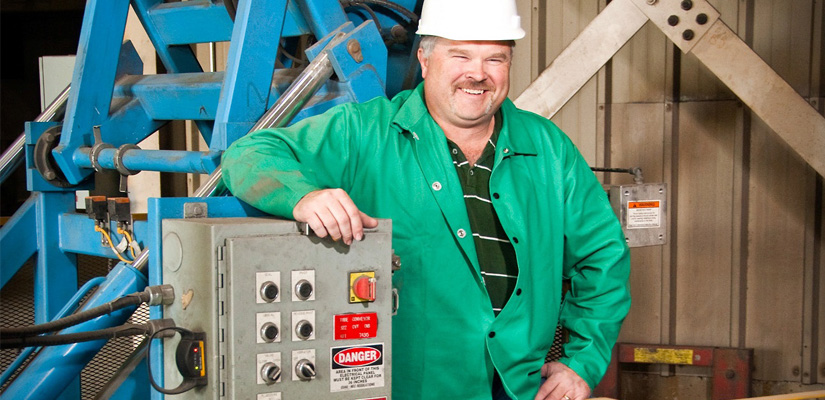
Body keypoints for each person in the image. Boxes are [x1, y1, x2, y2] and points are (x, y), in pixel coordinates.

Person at [221, 0, 630, 399]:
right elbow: (246, 155)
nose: (478, 74)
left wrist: (581, 362)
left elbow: (603, 258)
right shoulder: (365, 134)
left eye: (495, 59)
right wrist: (304, 196)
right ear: (425, 59)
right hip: (406, 388)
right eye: (461, 55)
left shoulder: (548, 148)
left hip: (519, 387)